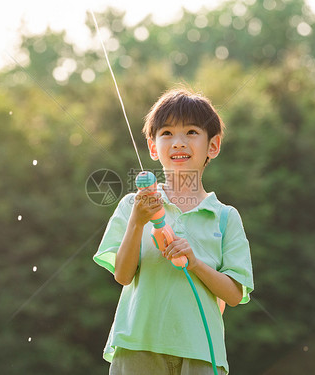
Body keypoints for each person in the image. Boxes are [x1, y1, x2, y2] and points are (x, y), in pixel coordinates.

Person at [94, 87, 254, 374]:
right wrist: (137, 221)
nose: (178, 142)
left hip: (200, 352)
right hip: (137, 346)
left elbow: (233, 294)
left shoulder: (225, 217)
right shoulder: (134, 205)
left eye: (191, 132)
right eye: (166, 133)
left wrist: (195, 263)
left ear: (213, 146)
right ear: (153, 147)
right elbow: (122, 274)